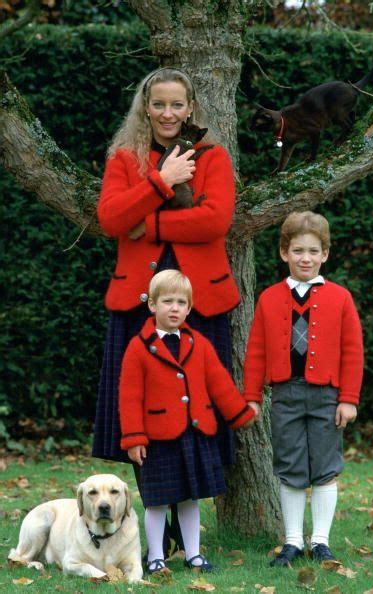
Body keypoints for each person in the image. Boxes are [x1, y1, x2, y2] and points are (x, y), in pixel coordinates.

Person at [92, 66, 243, 551]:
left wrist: (150, 225)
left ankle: (186, 533)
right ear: (145, 107)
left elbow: (215, 220)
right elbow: (113, 218)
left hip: (201, 304)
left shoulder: (213, 156)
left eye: (177, 104)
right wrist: (161, 182)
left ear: (191, 107)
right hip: (138, 303)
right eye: (158, 104)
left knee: (197, 414)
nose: (168, 113)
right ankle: (156, 536)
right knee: (146, 417)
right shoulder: (124, 158)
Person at [243, 211, 364, 566]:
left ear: (325, 254)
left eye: (313, 251)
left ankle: (321, 541)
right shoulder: (269, 298)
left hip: (328, 396)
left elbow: (353, 351)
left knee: (325, 466)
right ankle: (293, 540)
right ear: (284, 253)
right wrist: (252, 397)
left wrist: (349, 399)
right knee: (291, 465)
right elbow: (256, 351)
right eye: (298, 251)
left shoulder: (340, 298)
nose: (305, 258)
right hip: (285, 395)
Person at [119, 270, 256, 573]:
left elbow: (219, 382)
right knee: (156, 501)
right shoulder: (139, 347)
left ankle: (193, 554)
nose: (175, 308)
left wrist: (239, 413)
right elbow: (129, 397)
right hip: (157, 439)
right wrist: (134, 438)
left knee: (190, 498)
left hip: (194, 434)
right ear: (152, 305)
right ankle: (156, 557)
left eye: (182, 302)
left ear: (189, 308)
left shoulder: (199, 343)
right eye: (167, 301)